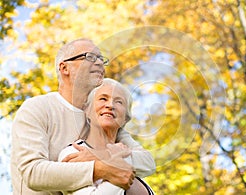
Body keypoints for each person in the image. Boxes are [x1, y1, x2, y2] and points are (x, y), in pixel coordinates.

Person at [10, 38, 156, 195]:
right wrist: (100, 168)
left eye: (101, 59)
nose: (100, 63)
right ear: (65, 68)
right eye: (90, 57)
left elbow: (147, 162)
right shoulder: (38, 108)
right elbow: (33, 172)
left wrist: (100, 156)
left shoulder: (102, 118)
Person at [58, 78, 154, 194]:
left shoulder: (125, 152)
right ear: (87, 110)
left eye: (119, 102)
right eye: (103, 98)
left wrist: (105, 156)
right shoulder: (73, 153)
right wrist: (116, 167)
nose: (110, 105)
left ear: (125, 118)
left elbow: (149, 164)